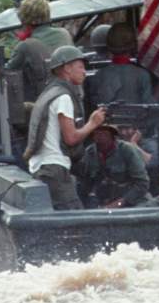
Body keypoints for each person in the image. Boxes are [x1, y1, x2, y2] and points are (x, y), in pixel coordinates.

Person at [23, 45, 106, 210]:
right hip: (54, 169)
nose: (84, 71)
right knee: (77, 221)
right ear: (67, 68)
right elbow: (71, 138)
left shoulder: (50, 92)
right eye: (81, 67)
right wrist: (93, 123)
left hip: (43, 167)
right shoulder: (63, 97)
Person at [0, 0, 74, 99]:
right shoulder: (64, 34)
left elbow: (8, 72)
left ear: (24, 19)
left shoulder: (25, 46)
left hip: (43, 102)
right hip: (72, 95)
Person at [80, 123, 151, 208]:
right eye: (97, 133)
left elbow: (142, 184)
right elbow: (86, 184)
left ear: (113, 136)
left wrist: (120, 203)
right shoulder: (90, 153)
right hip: (105, 204)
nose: (100, 137)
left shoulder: (127, 150)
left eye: (105, 133)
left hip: (134, 202)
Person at [84, 23, 153, 109]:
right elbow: (150, 110)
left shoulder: (98, 76)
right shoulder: (142, 75)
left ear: (109, 46)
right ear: (133, 46)